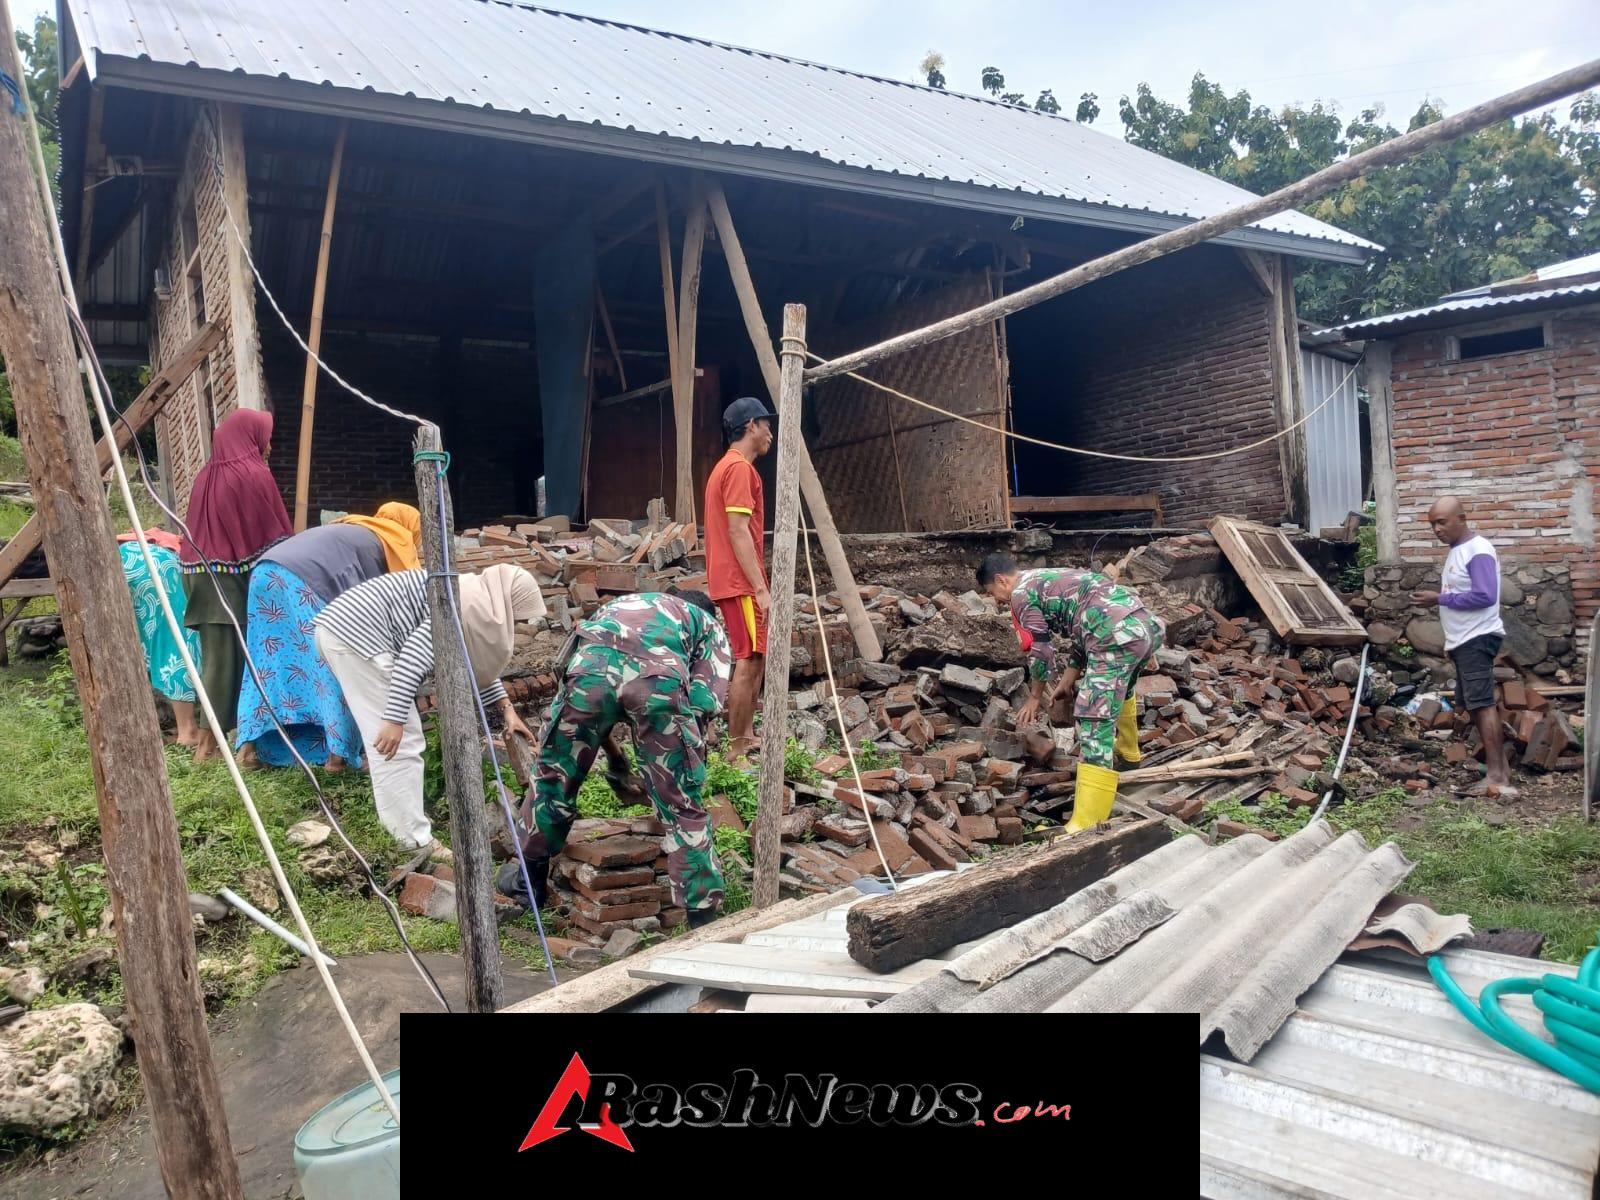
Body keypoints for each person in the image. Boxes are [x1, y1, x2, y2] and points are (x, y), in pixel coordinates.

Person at [506, 589, 732, 927]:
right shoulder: (709, 627)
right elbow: (702, 705)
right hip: (658, 682)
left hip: (588, 674)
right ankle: (701, 917)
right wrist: (674, 778)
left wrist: (616, 761)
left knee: (553, 777)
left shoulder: (617, 606)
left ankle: (527, 888)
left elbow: (577, 679)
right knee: (683, 805)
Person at [314, 563, 543, 858]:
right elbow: (413, 655)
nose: (519, 625)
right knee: (401, 743)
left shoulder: (474, 596)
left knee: (395, 739)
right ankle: (412, 840)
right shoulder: (459, 605)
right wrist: (394, 717)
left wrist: (507, 710)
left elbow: (474, 662)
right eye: (518, 617)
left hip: (344, 631)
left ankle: (405, 823)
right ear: (506, 605)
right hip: (357, 636)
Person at [978, 553, 1164, 834]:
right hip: (1144, 626)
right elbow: (1085, 624)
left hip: (1113, 635)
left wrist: (1034, 696)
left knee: (1092, 718)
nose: (998, 601)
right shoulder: (1052, 577)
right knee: (1120, 688)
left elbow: (1041, 651)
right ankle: (1128, 752)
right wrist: (1067, 679)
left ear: (1001, 580)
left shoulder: (1021, 594)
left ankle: (1086, 824)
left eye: (993, 593)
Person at [234, 503, 424, 771]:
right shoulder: (395, 540)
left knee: (266, 663)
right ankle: (338, 757)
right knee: (336, 662)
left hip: (264, 574)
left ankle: (250, 749)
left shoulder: (351, 525)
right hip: (305, 583)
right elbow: (393, 607)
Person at [178, 410, 293, 761]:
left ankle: (243, 743)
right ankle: (209, 747)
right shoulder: (252, 473)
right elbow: (273, 534)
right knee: (232, 661)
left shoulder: (206, 475)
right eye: (266, 435)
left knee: (222, 657)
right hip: (228, 581)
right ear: (251, 435)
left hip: (199, 573)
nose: (269, 444)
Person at [1410, 496, 1514, 796]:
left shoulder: (1477, 550)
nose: (1436, 529)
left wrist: (1437, 598)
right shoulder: (1459, 551)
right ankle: (1500, 770)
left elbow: (1485, 595)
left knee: (1482, 705)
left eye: (1442, 522)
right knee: (1474, 704)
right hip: (1465, 639)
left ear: (1462, 518)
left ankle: (1497, 776)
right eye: (1433, 524)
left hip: (1477, 637)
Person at [703, 397, 775, 760]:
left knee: (755, 656)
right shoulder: (740, 470)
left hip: (730, 579)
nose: (770, 434)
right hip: (740, 581)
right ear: (750, 426)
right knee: (749, 658)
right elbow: (738, 530)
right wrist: (760, 587)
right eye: (766, 425)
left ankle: (745, 734)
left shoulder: (724, 468)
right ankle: (736, 751)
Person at [117, 528, 203, 747]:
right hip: (159, 572)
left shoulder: (127, 544)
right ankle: (189, 728)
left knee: (155, 644)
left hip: (133, 569)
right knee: (173, 644)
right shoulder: (170, 547)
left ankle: (183, 730)